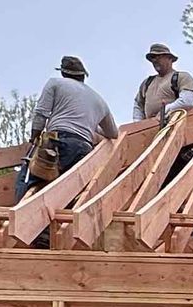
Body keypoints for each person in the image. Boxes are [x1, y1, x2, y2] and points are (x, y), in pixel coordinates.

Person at [17, 57, 118, 237]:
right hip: (83, 149)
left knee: (30, 180)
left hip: (57, 141)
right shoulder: (98, 100)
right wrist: (88, 126)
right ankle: (63, 235)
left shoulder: (55, 83)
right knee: (70, 191)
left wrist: (34, 137)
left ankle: (35, 233)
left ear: (63, 73)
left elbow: (41, 113)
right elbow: (113, 134)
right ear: (83, 76)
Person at [134, 41, 193, 183]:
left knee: (175, 171)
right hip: (152, 134)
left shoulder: (180, 77)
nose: (155, 61)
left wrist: (166, 112)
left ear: (169, 58)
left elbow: (188, 101)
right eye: (152, 58)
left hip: (174, 130)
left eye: (158, 57)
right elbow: (138, 104)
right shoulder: (148, 83)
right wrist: (139, 125)